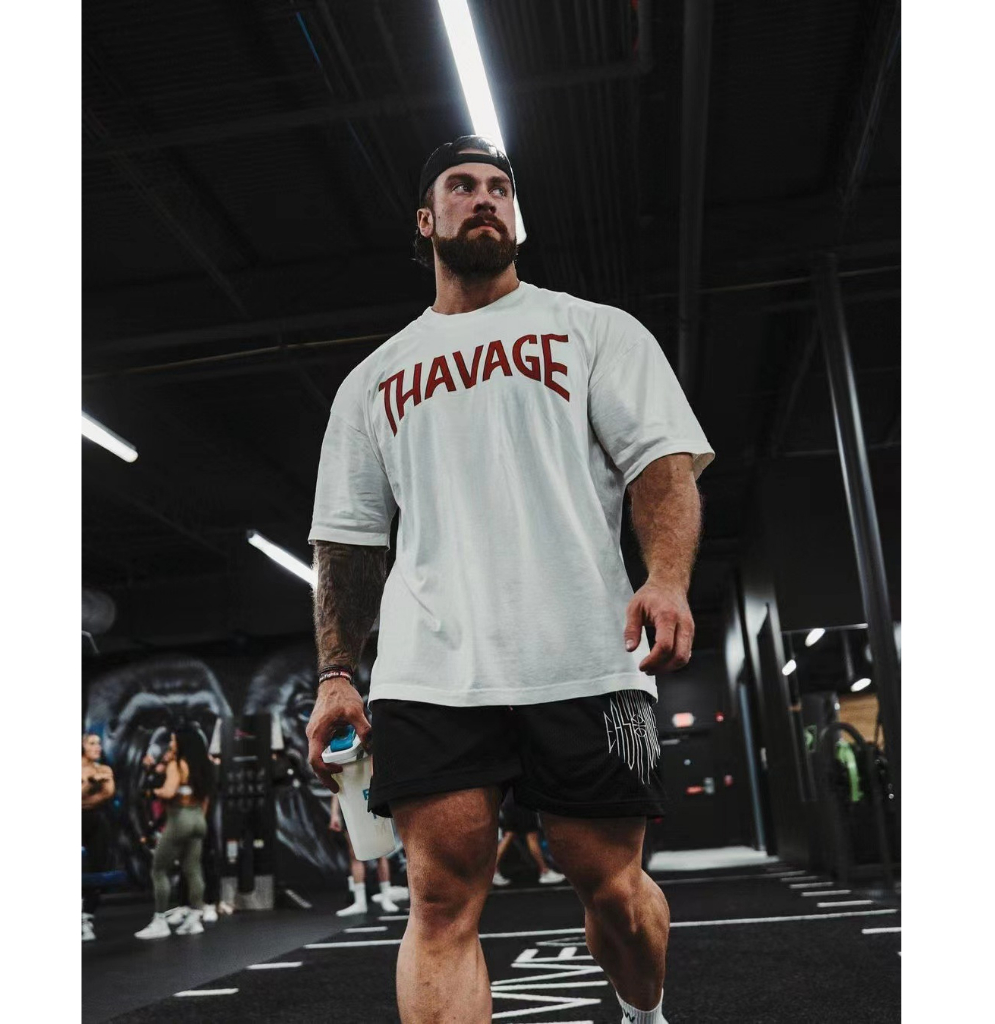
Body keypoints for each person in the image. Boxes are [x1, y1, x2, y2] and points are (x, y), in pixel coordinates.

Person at [306, 135, 714, 1024]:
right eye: (462, 186)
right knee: (439, 903)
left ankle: (643, 1013)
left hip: (585, 657)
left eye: (500, 187)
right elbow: (347, 544)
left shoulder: (594, 330)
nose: (485, 197)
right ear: (427, 220)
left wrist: (667, 578)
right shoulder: (372, 380)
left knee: (613, 887)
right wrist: (337, 673)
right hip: (431, 673)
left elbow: (662, 466)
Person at [135, 728, 216, 940]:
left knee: (158, 869)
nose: (171, 745)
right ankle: (194, 920)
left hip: (180, 818)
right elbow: (205, 799)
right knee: (193, 869)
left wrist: (152, 792)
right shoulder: (203, 766)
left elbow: (169, 791)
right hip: (198, 819)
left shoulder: (176, 764)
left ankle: (160, 921)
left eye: (173, 741)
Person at [328, 793, 401, 915]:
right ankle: (360, 902)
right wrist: (334, 814)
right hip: (351, 807)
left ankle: (386, 898)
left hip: (371, 802)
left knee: (381, 852)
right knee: (355, 854)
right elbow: (336, 789)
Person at [491, 790, 564, 887]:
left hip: (508, 802)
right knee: (532, 836)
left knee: (509, 835)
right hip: (522, 802)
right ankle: (544, 871)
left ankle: (491, 871)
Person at [82, 733, 115, 941]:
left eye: (99, 743)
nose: (97, 747)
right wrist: (91, 784)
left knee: (98, 867)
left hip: (96, 820)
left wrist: (88, 791)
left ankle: (86, 917)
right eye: (92, 743)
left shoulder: (105, 769)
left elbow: (107, 794)